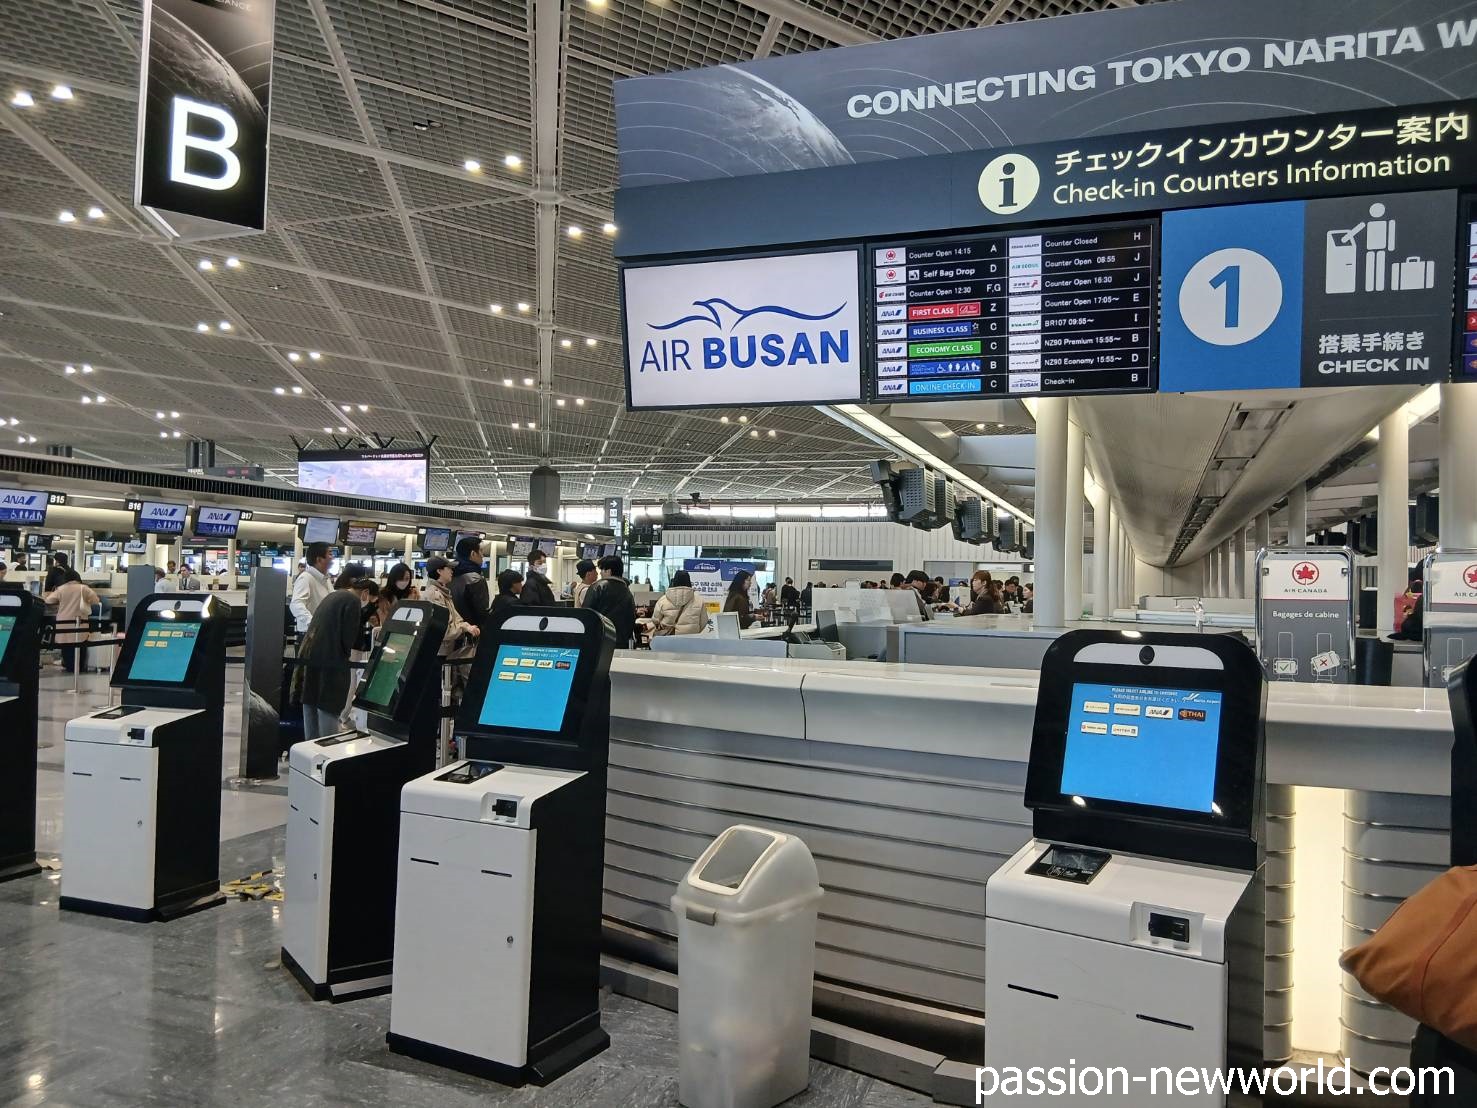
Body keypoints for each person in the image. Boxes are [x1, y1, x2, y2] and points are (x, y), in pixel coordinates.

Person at [296, 576, 380, 741]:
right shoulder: (352, 602)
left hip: (312, 656)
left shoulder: (334, 595)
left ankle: (309, 748)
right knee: (328, 706)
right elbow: (347, 638)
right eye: (370, 601)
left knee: (311, 705)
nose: (368, 605)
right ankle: (327, 749)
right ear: (365, 593)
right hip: (332, 661)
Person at [44, 569, 100, 673]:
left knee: (66, 646)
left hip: (63, 622)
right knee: (80, 644)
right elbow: (96, 600)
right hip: (79, 622)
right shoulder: (84, 588)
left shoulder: (61, 589)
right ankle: (79, 667)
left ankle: (69, 666)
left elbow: (48, 600)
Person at [582, 554, 636, 647]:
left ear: (609, 571)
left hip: (600, 641)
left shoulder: (597, 587)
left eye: (602, 570)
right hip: (622, 642)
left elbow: (586, 614)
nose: (600, 573)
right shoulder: (627, 591)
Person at [290, 542, 334, 634]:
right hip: (311, 634)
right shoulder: (306, 578)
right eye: (330, 554)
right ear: (319, 559)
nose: (332, 557)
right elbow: (296, 604)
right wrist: (313, 624)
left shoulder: (326, 579)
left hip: (324, 633)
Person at [450, 535, 491, 627]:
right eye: (481, 551)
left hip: (452, 628)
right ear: (473, 553)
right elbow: (482, 612)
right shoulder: (475, 579)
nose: (482, 555)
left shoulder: (448, 575)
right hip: (471, 629)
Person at [651, 570, 705, 636]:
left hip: (669, 638)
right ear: (689, 581)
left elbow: (655, 620)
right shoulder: (699, 600)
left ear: (674, 581)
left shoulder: (663, 600)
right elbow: (703, 623)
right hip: (691, 638)